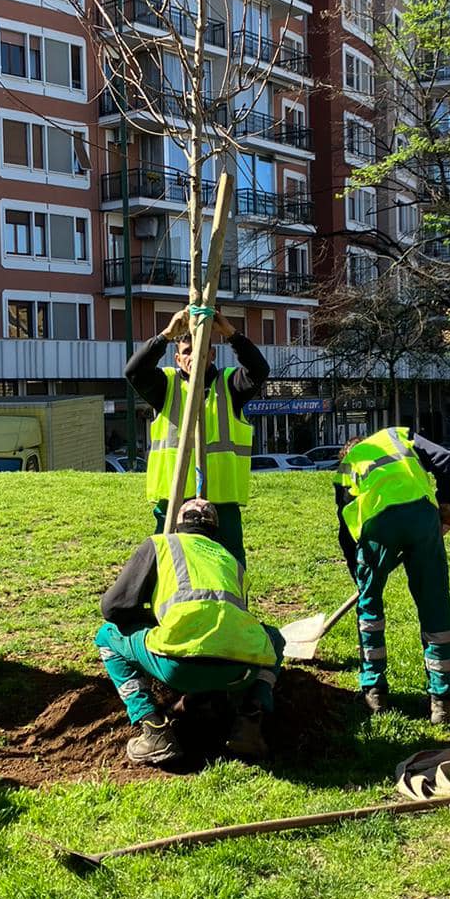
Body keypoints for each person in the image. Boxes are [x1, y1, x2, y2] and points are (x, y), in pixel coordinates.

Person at [95, 496, 285, 768]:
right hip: (239, 673)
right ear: (215, 530)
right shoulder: (231, 560)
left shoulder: (160, 545)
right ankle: (249, 721)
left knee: (107, 637)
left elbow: (112, 607)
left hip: (179, 666)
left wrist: (153, 618)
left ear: (176, 524)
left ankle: (153, 728)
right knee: (273, 638)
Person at [334, 426, 450, 722]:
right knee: (435, 607)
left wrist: (361, 578)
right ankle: (441, 701)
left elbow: (345, 528)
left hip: (377, 528)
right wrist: (446, 502)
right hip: (422, 518)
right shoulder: (396, 435)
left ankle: (374, 692)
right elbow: (444, 459)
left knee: (371, 611)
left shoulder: (346, 467)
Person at [126, 308, 269, 564]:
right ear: (178, 359)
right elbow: (134, 371)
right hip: (174, 497)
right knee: (168, 563)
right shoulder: (166, 386)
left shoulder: (229, 384)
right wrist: (167, 335)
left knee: (229, 563)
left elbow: (259, 370)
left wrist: (230, 333)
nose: (193, 357)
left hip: (221, 500)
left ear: (211, 354)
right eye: (187, 352)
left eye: (200, 350)